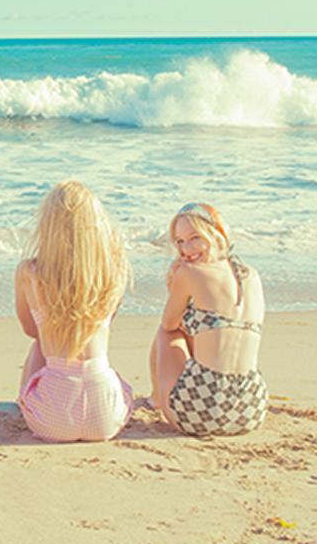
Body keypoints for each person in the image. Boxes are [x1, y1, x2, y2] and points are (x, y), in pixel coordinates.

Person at [14, 181, 133, 441]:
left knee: (39, 344)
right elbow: (108, 319)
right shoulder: (114, 269)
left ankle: (27, 401)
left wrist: (51, 326)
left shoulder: (30, 272)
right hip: (105, 418)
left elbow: (29, 328)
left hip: (52, 418)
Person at [149, 202, 267, 436]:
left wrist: (173, 282)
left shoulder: (190, 273)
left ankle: (156, 399)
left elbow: (169, 324)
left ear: (215, 234)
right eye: (179, 241)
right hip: (252, 407)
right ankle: (161, 396)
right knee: (202, 330)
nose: (186, 249)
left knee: (167, 333)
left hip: (201, 413)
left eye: (194, 237)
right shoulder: (251, 275)